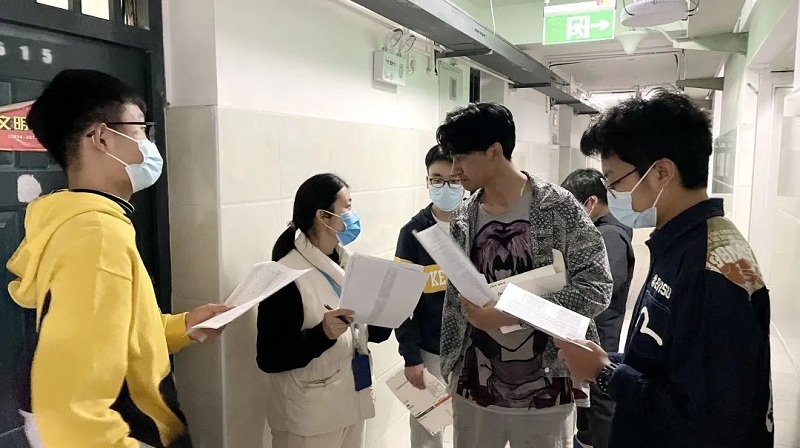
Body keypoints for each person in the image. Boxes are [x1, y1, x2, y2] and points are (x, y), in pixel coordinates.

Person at [7, 69, 229, 448]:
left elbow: (107, 336)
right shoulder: (95, 235)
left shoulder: (74, 220)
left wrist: (182, 327)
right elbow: (71, 414)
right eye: (140, 130)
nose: (149, 145)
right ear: (102, 137)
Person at [555, 89, 773, 448]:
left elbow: (703, 420)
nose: (612, 193)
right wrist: (609, 360)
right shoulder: (679, 244)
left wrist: (605, 373)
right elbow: (667, 360)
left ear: (661, 173)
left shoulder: (710, 270)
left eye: (615, 181)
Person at [436, 102, 613, 448]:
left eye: (461, 157)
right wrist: (450, 366)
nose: (455, 170)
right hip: (474, 386)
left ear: (494, 151)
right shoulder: (463, 217)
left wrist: (512, 312)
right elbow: (456, 300)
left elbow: (596, 289)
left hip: (547, 388)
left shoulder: (558, 207)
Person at [256, 173, 392, 448]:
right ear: (323, 216)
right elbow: (269, 358)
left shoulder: (349, 264)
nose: (353, 216)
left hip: (352, 402)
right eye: (348, 207)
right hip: (309, 418)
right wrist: (322, 334)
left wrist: (388, 311)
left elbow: (370, 333)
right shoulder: (287, 275)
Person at [394, 145, 464, 448]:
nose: (445, 187)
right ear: (427, 181)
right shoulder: (413, 233)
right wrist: (411, 356)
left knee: (471, 430)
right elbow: (400, 303)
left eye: (453, 180)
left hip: (472, 350)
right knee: (428, 433)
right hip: (429, 351)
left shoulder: (476, 225)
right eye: (437, 179)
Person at [561, 168, 636, 448]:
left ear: (590, 202)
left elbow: (601, 289)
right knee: (589, 410)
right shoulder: (601, 231)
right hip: (592, 334)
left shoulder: (609, 236)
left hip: (601, 336)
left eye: (572, 207)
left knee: (601, 409)